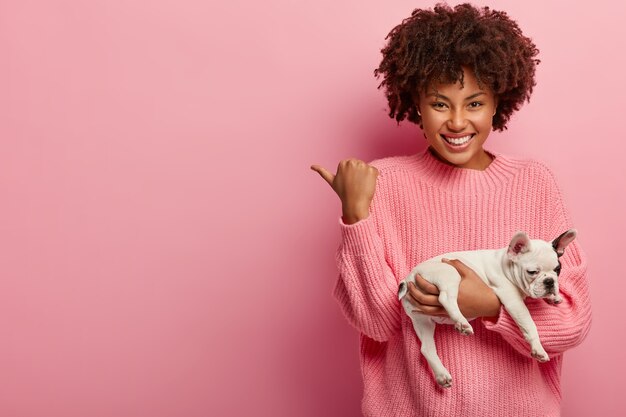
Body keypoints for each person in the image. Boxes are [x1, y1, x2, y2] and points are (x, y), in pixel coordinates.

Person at [311, 3, 591, 417]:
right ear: (415, 105)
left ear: (499, 102)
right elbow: (377, 322)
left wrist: (490, 304)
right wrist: (355, 215)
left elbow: (573, 320)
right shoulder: (382, 184)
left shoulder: (535, 182)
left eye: (475, 103)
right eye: (440, 104)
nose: (458, 122)